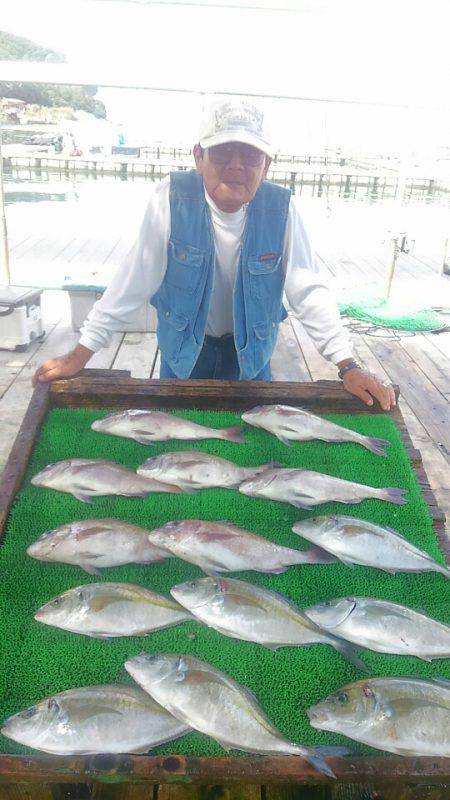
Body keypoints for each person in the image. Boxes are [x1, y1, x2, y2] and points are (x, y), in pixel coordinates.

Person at [33, 99, 395, 410]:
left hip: (250, 358)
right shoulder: (169, 199)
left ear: (266, 165)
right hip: (185, 354)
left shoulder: (282, 210)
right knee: (179, 442)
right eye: (222, 152)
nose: (236, 165)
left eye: (250, 155)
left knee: (251, 448)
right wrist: (80, 355)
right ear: (198, 157)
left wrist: (348, 365)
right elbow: (133, 282)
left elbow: (307, 290)